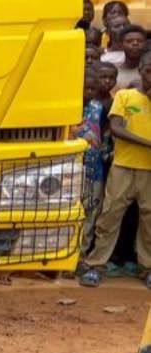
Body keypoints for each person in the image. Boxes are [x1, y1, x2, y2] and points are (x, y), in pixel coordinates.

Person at [79, 51, 151, 288]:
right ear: (141, 71)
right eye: (149, 71)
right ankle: (96, 265)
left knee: (148, 221)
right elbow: (117, 128)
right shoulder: (126, 96)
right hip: (122, 166)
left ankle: (147, 268)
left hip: (149, 171)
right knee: (109, 216)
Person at [74, 63, 109, 257]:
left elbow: (102, 132)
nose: (88, 92)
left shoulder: (98, 107)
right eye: (85, 88)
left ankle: (80, 254)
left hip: (93, 170)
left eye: (92, 89)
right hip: (71, 169)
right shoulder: (68, 108)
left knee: (90, 212)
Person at [102, 23, 147, 90]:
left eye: (140, 41)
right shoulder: (113, 72)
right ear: (121, 45)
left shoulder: (148, 72)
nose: (135, 43)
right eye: (129, 41)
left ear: (145, 44)